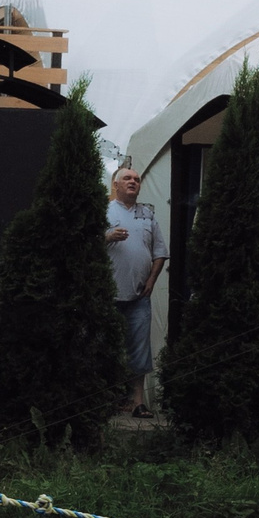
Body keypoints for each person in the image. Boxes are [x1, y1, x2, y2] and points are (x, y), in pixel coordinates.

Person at [104, 164, 167, 418]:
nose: (133, 182)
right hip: (107, 295)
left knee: (139, 348)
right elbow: (82, 244)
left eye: (137, 179)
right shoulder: (104, 211)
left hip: (139, 296)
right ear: (116, 185)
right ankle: (104, 401)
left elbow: (160, 253)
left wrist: (152, 280)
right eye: (127, 179)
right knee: (105, 347)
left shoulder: (148, 215)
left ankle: (138, 403)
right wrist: (106, 237)